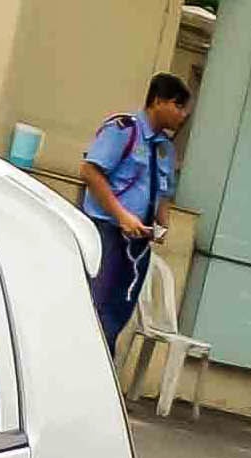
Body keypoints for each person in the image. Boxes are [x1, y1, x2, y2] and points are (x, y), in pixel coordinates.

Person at [78, 75, 186, 353]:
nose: (183, 114)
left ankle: (101, 364)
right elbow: (90, 171)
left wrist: (163, 223)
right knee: (95, 309)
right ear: (158, 101)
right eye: (178, 106)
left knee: (117, 314)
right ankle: (85, 364)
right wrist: (122, 215)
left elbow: (163, 192)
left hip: (138, 244)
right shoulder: (124, 130)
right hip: (107, 233)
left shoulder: (165, 148)